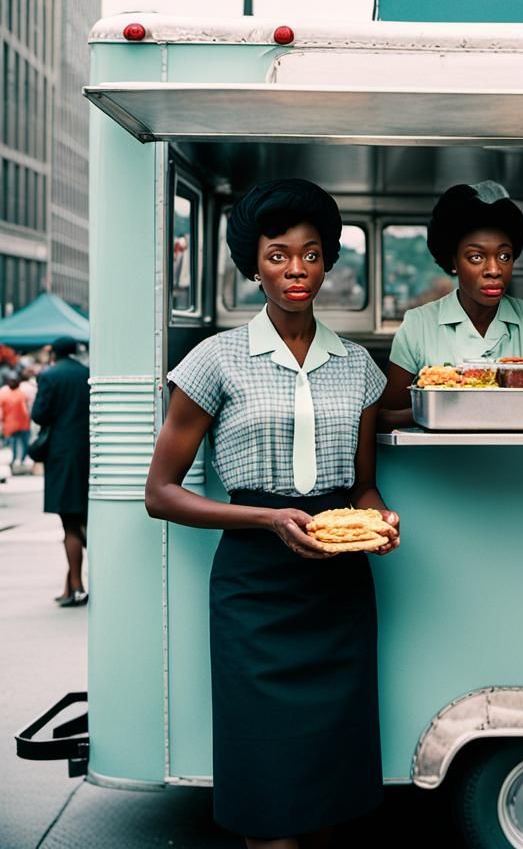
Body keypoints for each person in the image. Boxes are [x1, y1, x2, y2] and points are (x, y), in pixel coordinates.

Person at [145, 178, 399, 849]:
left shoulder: (358, 369)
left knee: (329, 786)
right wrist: (267, 520)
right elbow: (160, 493)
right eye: (279, 254)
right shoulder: (214, 361)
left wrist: (381, 521)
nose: (296, 271)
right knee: (267, 798)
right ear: (252, 263)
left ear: (328, 262)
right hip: (254, 590)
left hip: (338, 589)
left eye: (311, 254)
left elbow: (364, 486)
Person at [378, 181, 523, 428]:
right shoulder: (418, 324)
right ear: (453, 261)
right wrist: (445, 410)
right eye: (476, 257)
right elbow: (387, 415)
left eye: (504, 256)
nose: (493, 270)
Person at [31, 338, 90, 606]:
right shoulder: (87, 373)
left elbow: (39, 415)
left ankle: (76, 587)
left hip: (61, 455)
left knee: (70, 523)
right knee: (81, 517)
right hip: (87, 452)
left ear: (54, 353)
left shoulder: (50, 376)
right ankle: (69, 586)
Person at [0, 373, 31, 471]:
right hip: (22, 424)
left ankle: (14, 462)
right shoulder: (22, 395)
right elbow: (26, 410)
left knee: (12, 445)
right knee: (23, 444)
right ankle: (20, 461)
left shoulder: (4, 395)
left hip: (10, 425)